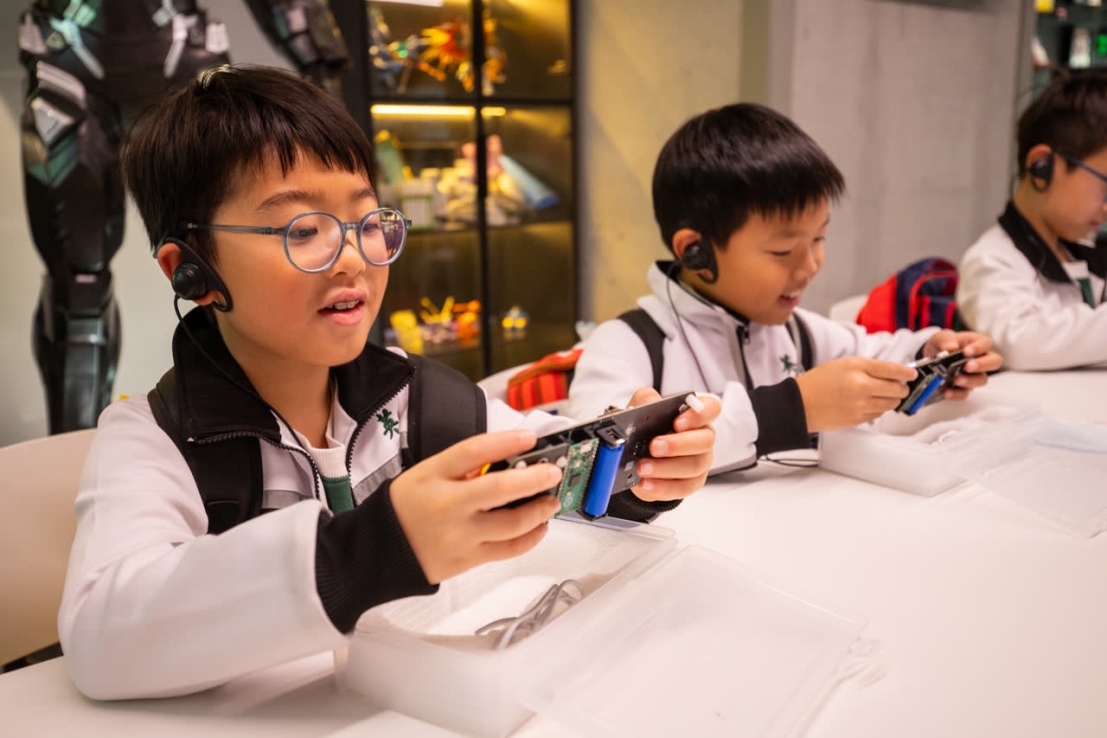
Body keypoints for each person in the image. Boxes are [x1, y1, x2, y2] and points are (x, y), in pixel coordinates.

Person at [58, 65, 720, 700]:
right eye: (304, 229)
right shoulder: (155, 439)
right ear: (191, 270)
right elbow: (101, 639)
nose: (352, 257)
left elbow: (540, 466)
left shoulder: (418, 395)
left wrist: (634, 470)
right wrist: (377, 551)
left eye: (366, 222)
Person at [568, 102, 1001, 473]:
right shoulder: (630, 344)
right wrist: (791, 410)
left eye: (819, 239)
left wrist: (932, 354)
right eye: (783, 251)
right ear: (696, 253)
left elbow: (874, 354)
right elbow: (596, 458)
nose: (811, 265)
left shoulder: (798, 331)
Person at [957, 69, 1107, 370]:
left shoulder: (1079, 252)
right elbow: (1019, 343)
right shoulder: (992, 260)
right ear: (1042, 166)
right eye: (1105, 187)